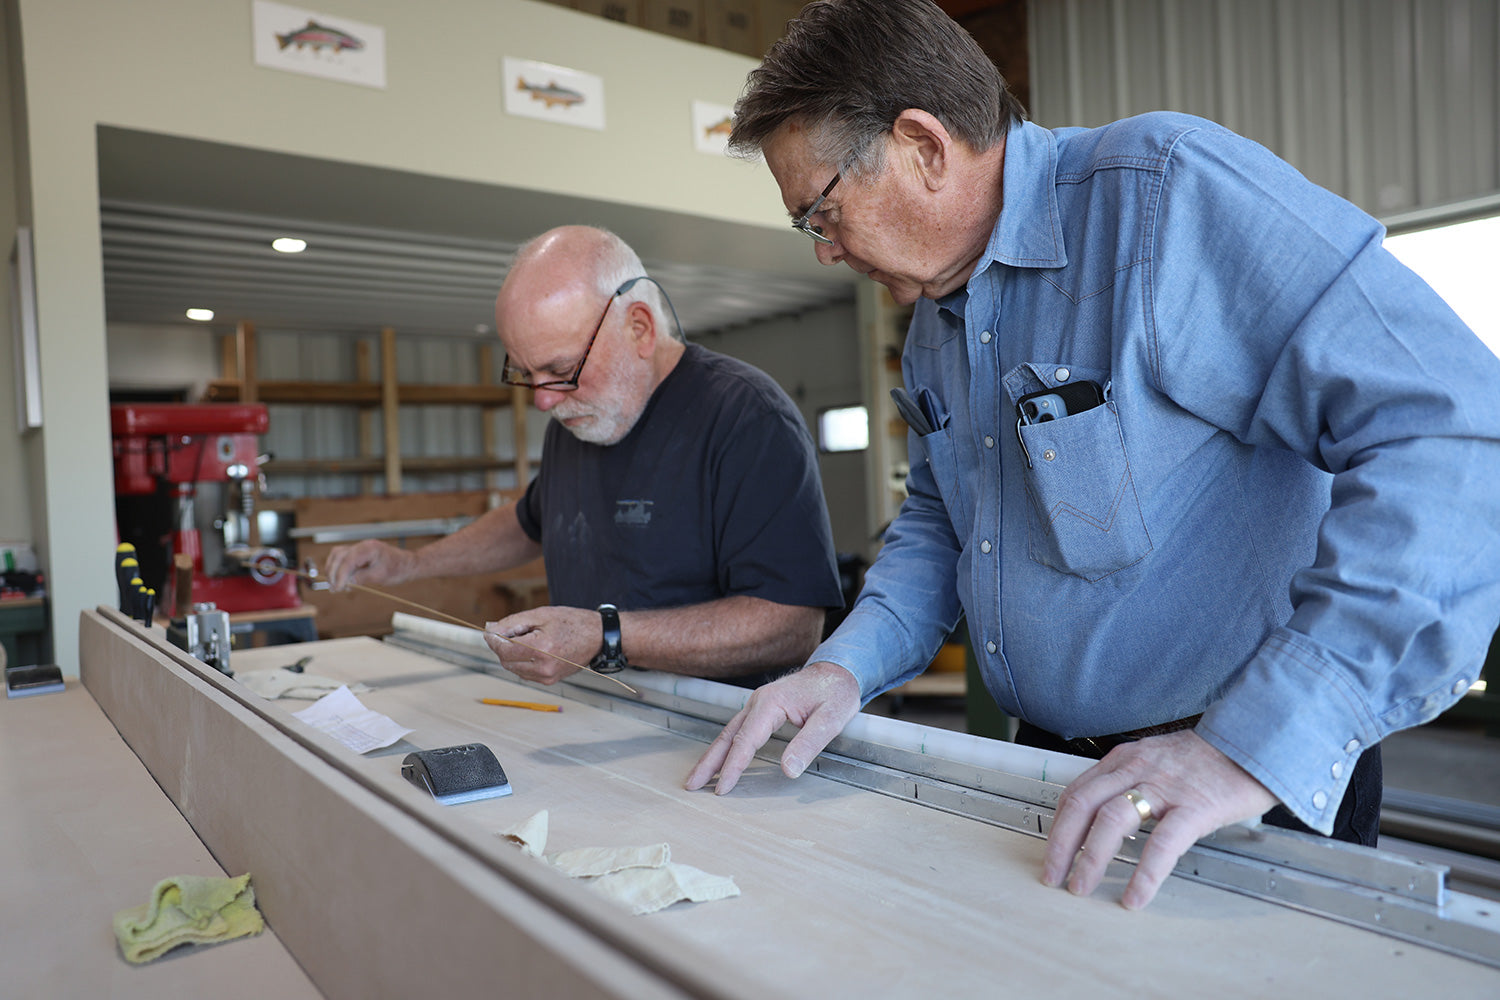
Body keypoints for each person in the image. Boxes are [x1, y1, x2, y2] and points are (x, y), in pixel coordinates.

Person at [685, 0, 1500, 910]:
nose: (826, 252)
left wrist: (1256, 743)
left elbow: (1454, 428)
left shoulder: (1163, 200)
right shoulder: (935, 322)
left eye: (821, 213)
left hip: (1230, 780)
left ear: (922, 146)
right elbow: (944, 522)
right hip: (1052, 769)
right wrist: (843, 669)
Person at [327, 225, 843, 685]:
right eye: (527, 374)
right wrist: (410, 563)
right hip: (598, 709)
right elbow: (531, 522)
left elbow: (792, 627)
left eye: (561, 370)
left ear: (639, 328)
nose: (543, 401)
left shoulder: (746, 418)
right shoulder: (580, 414)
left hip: (716, 732)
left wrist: (606, 635)